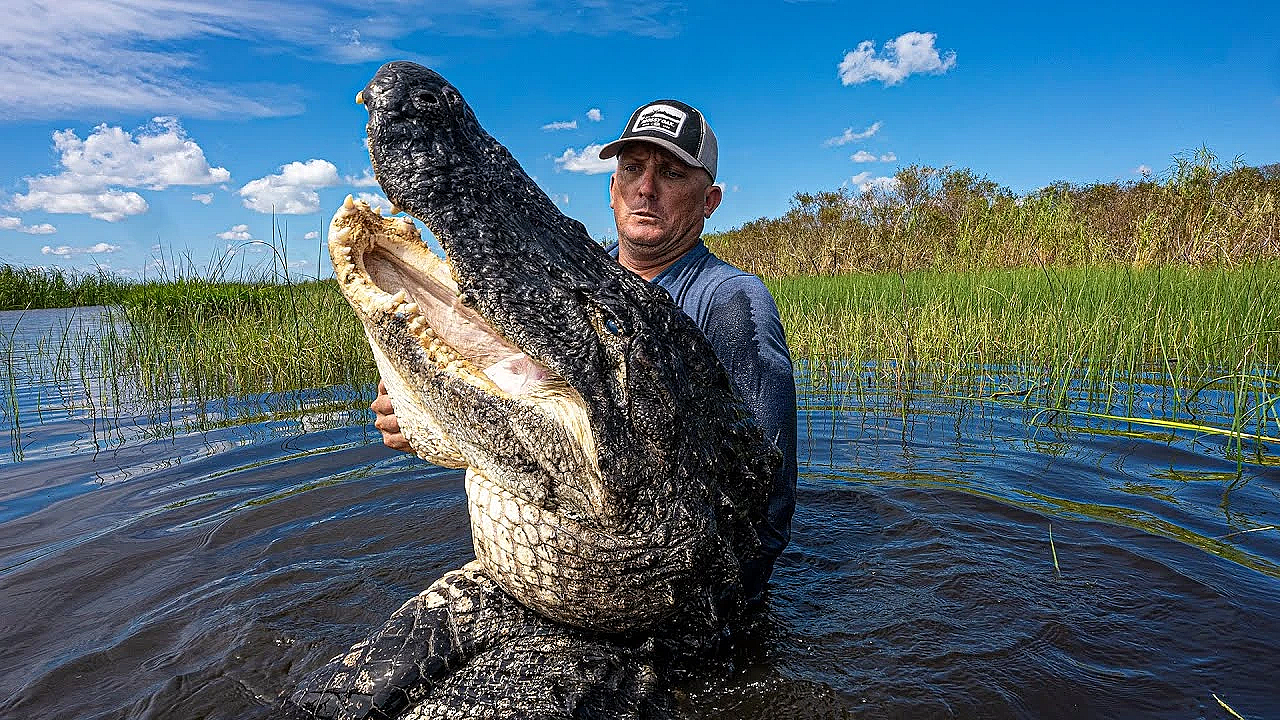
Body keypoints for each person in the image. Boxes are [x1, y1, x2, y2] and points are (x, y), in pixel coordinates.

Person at [371, 99, 797, 601]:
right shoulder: (562, 288)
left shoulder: (731, 302)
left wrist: (705, 616)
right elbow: (525, 405)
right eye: (633, 169)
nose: (646, 189)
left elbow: (762, 499)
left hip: (661, 593)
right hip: (545, 556)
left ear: (710, 201)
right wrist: (429, 414)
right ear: (611, 189)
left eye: (673, 174)